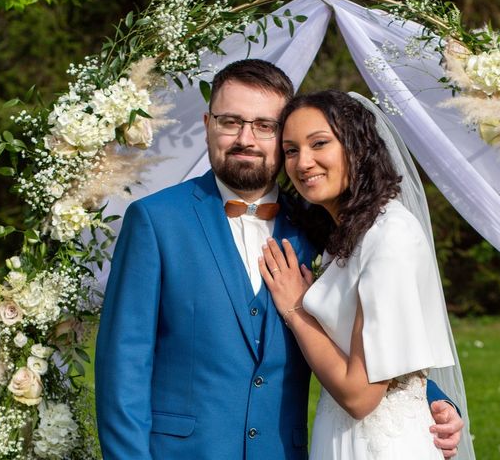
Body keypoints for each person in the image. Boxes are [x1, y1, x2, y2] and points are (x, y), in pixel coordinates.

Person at [95, 60, 464, 459]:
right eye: (230, 121)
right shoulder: (156, 221)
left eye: (264, 126)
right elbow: (122, 369)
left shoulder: (319, 227)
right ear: (207, 124)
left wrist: (435, 402)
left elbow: (369, 327)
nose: (245, 138)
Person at [259, 90, 470, 459]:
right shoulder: (347, 233)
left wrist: (296, 309)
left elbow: (360, 395)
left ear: (356, 146)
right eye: (291, 150)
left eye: (319, 143)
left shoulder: (391, 237)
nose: (303, 162)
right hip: (340, 435)